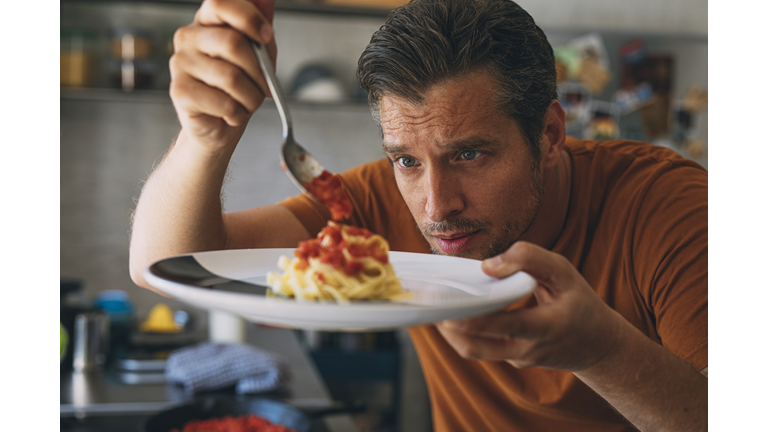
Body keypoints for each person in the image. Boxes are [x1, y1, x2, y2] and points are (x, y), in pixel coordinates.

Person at [129, 0, 708, 430]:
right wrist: (205, 138)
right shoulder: (376, 197)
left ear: (550, 134)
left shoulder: (672, 208)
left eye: (470, 154)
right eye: (406, 159)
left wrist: (602, 352)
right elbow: (166, 263)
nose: (436, 206)